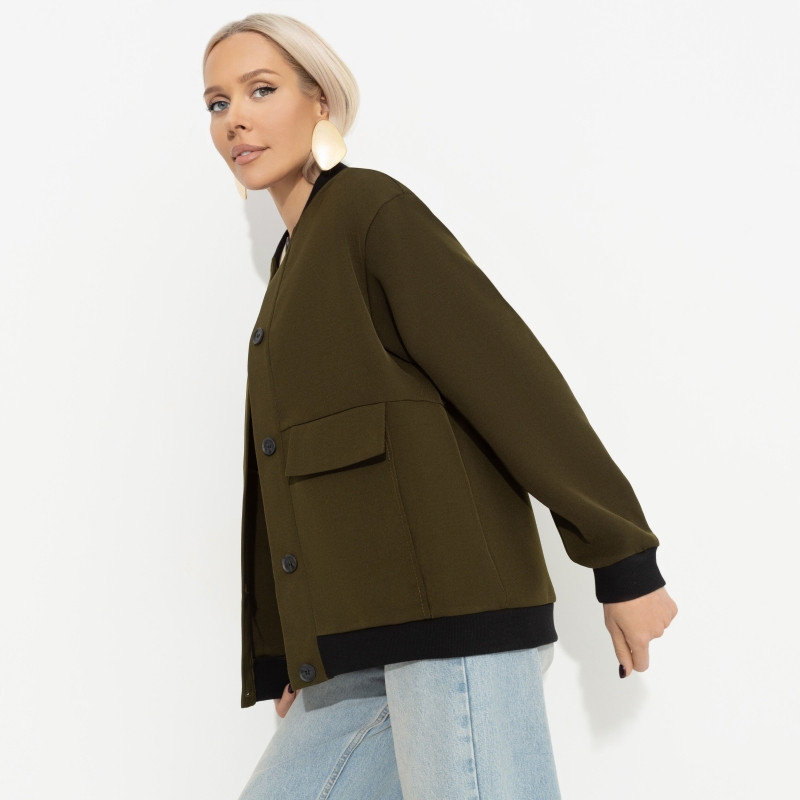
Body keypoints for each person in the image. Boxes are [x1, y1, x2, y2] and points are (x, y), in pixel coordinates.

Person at [202, 13, 678, 800]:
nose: (235, 120)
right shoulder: (294, 261)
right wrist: (294, 645)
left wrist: (622, 559)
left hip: (452, 630)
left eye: (261, 90)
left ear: (320, 100)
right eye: (217, 103)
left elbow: (509, 377)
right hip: (357, 645)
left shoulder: (369, 213)